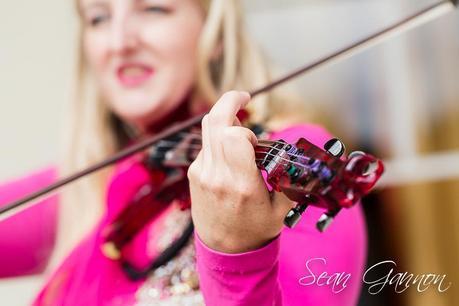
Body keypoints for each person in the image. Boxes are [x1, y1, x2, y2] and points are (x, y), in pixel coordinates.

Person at [0, 0, 367, 305]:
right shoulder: (109, 179)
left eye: (154, 9)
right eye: (98, 17)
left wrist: (237, 252)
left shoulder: (287, 161)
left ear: (215, 32)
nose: (119, 41)